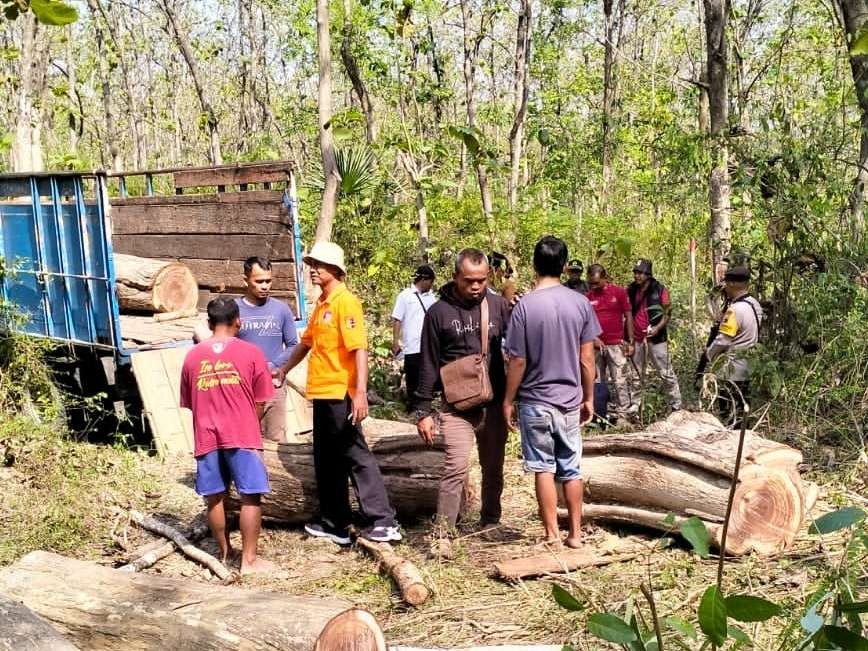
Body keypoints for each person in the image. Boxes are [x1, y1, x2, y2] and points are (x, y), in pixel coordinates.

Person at [282, 242, 401, 545]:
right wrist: (283, 370)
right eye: (311, 264)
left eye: (319, 264)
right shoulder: (322, 303)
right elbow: (305, 343)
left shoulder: (346, 302)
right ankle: (336, 522)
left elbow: (359, 348)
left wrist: (360, 392)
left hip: (340, 393)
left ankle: (383, 520)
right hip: (322, 394)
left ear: (336, 269)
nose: (313, 269)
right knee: (327, 459)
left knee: (354, 453)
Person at [503, 237, 600, 548]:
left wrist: (508, 399)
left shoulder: (525, 306)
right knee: (570, 467)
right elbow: (587, 357)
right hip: (569, 400)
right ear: (563, 265)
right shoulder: (580, 303)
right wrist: (588, 396)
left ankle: (552, 535)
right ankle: (575, 534)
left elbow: (517, 360)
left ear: (535, 265)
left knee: (542, 467)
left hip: (534, 400)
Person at [414, 248, 511, 559]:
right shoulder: (438, 313)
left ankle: (490, 519)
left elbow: (518, 350)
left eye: (482, 280)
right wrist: (424, 410)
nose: (475, 286)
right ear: (455, 276)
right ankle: (443, 533)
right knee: (455, 468)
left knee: (493, 467)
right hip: (456, 407)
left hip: (492, 403)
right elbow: (427, 364)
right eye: (469, 280)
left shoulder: (497, 306)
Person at [179, 297, 276, 575]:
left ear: (209, 324)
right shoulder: (251, 352)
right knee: (250, 497)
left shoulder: (193, 356)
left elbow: (189, 402)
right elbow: (263, 399)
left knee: (215, 497)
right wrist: (246, 420)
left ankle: (224, 554)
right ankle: (249, 561)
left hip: (206, 436)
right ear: (238, 321)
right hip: (242, 434)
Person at [235, 256, 299, 442]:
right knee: (245, 440)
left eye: (268, 281)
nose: (265, 286)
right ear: (245, 280)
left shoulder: (281, 310)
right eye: (259, 281)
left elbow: (294, 345)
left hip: (274, 385)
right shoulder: (234, 310)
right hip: (244, 386)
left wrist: (273, 365)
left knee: (277, 440)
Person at [705, 266, 763, 428]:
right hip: (749, 367)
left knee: (728, 417)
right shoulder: (755, 304)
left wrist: (709, 354)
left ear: (731, 284)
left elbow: (723, 340)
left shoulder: (735, 310)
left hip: (731, 371)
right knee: (743, 413)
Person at [627, 259, 682, 412]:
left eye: (640, 273)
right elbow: (628, 314)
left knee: (665, 371)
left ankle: (676, 404)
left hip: (656, 338)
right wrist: (629, 338)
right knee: (636, 373)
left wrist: (658, 328)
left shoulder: (660, 290)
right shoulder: (631, 290)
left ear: (648, 275)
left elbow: (667, 312)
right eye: (635, 273)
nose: (637, 276)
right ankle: (635, 404)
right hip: (637, 338)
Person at [586, 264, 635, 422]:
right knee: (597, 381)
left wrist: (630, 340)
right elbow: (585, 322)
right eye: (591, 283)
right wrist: (594, 338)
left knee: (619, 379)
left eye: (596, 282)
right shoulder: (588, 297)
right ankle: (598, 415)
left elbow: (628, 316)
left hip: (616, 344)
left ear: (604, 278)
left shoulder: (619, 293)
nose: (593, 286)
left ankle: (623, 415)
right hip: (595, 346)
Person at [391, 264, 437, 411]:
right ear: (424, 279)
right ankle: (412, 405)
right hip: (411, 345)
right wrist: (395, 341)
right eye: (430, 281)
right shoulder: (405, 296)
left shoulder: (432, 298)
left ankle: (425, 404)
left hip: (428, 345)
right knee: (412, 375)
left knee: (427, 374)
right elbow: (397, 319)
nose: (431, 285)